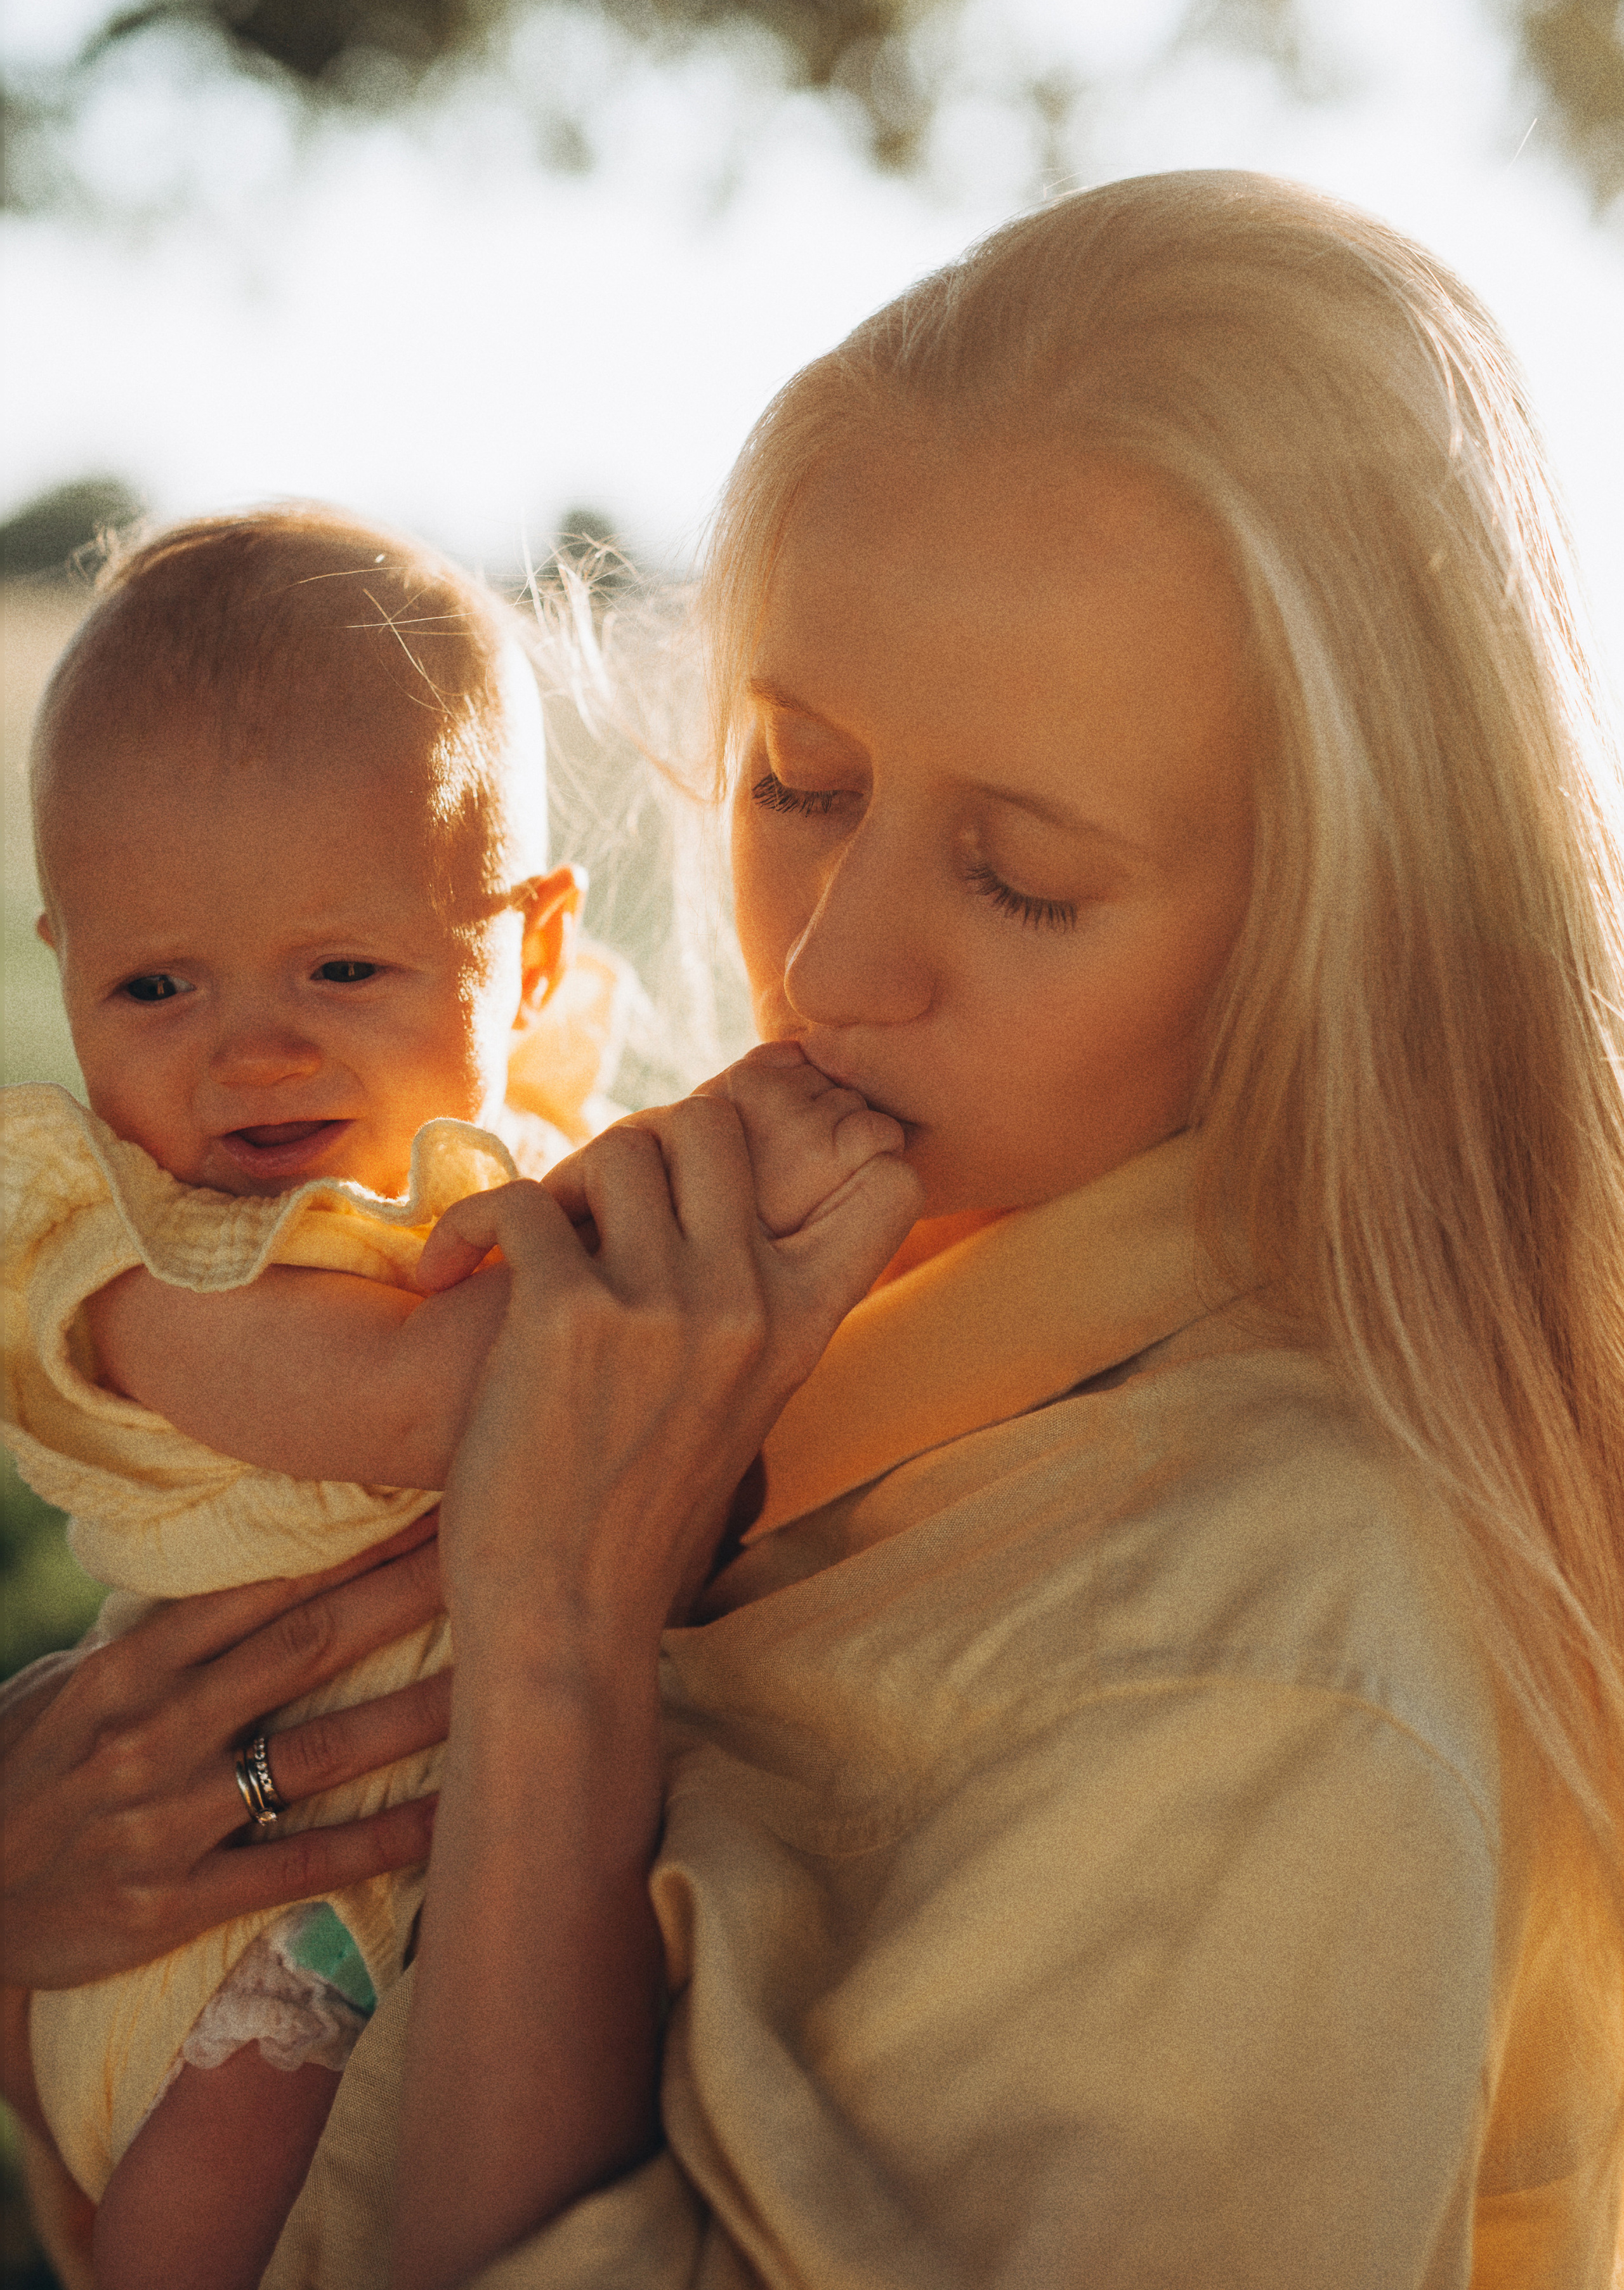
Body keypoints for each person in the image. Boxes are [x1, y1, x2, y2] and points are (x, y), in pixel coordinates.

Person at [6, 168, 1624, 2290]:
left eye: (1025, 875)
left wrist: (567, 1644)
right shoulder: (763, 1295)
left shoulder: (1274, 1672)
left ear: (1344, 930)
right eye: (796, 782)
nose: (835, 963)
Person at [0, 504, 905, 2290]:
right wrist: (738, 1178)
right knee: (211, 2225)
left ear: (534, 959)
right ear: (63, 964)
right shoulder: (130, 1259)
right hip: (234, 1919)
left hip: (440, 1853)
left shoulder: (508, 1147)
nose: (250, 1049)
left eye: (342, 968)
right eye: (154, 984)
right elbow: (447, 1396)